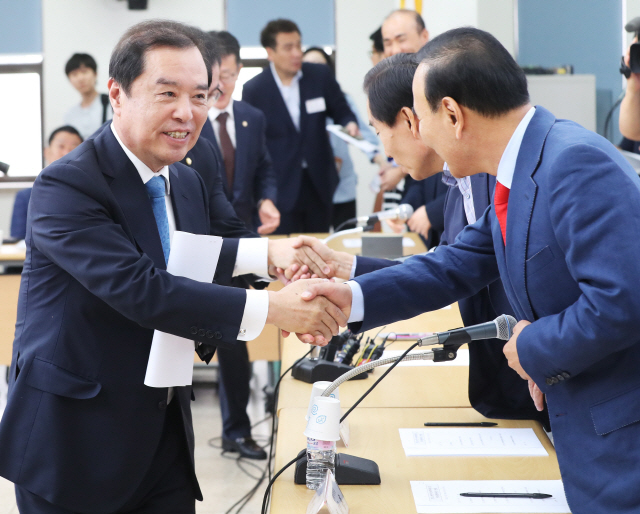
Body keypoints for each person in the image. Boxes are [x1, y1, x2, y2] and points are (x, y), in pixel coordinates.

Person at [0, 20, 346, 514]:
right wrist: (274, 308)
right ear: (116, 94)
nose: (187, 113)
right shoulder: (67, 185)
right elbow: (144, 289)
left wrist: (273, 256)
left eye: (201, 95)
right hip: (74, 440)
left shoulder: (184, 174)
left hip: (163, 434)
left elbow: (202, 248)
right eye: (168, 94)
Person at [300, 27, 640, 513]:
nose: (420, 131)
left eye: (421, 116)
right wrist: (347, 297)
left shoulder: (573, 163)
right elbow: (452, 266)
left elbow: (621, 301)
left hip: (620, 444)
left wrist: (531, 347)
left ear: (453, 115)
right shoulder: (522, 169)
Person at [288, 53, 544, 425]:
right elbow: (453, 265)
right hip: (513, 387)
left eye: (378, 131)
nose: (387, 152)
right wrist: (349, 276)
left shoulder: (515, 175)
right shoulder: (460, 183)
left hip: (545, 382)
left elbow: (454, 271)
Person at [242, 19, 359, 233]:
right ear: (270, 52)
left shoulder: (319, 76)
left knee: (320, 244)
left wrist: (349, 123)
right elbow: (252, 143)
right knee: (286, 252)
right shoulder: (254, 89)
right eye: (288, 47)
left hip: (319, 181)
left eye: (298, 45)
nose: (297, 53)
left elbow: (341, 109)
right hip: (280, 184)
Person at [202, 31, 280, 235]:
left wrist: (266, 200)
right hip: (203, 232)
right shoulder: (189, 121)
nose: (219, 85)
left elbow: (264, 168)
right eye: (213, 76)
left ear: (239, 71)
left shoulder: (253, 117)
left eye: (227, 76)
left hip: (245, 229)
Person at [301, 46, 383, 230]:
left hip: (342, 185)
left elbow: (363, 133)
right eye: (308, 65)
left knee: (345, 240)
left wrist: (380, 161)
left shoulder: (342, 100)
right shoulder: (296, 101)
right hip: (311, 189)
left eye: (320, 66)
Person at [10, 125, 84, 241]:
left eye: (74, 148)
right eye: (61, 146)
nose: (67, 153)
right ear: (47, 152)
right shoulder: (25, 197)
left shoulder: (91, 195)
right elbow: (17, 240)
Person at [63, 53, 112, 139]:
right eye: (74, 74)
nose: (80, 78)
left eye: (84, 72)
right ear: (69, 79)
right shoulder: (70, 115)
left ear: (95, 74)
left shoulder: (111, 104)